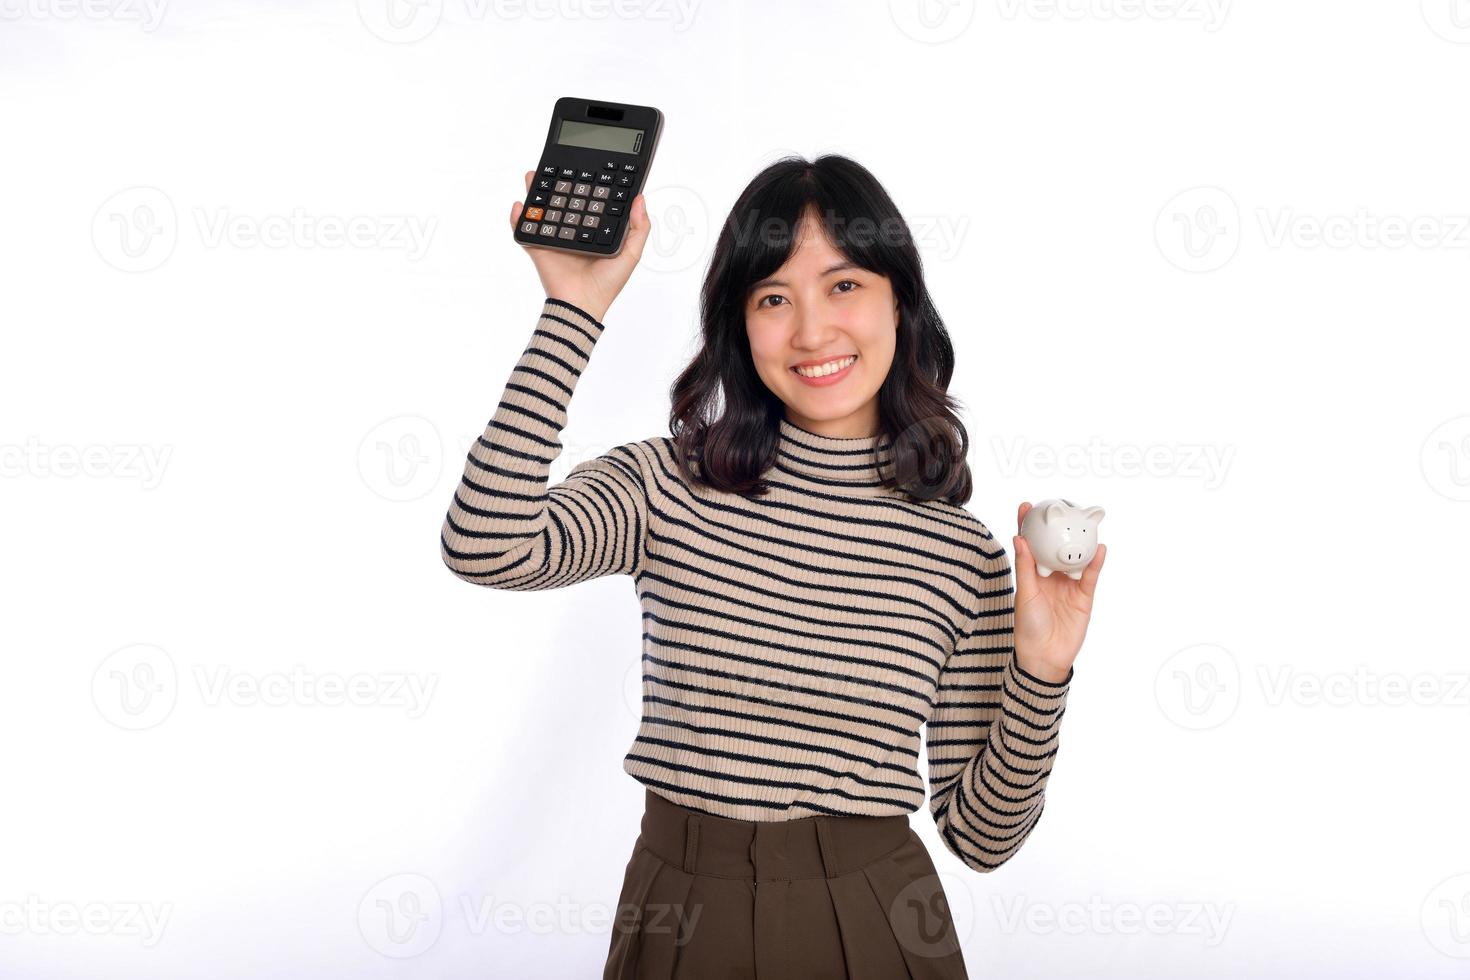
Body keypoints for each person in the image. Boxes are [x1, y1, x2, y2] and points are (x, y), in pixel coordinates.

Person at [440, 154, 1106, 980]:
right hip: (680, 913)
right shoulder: (668, 482)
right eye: (773, 298)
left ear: (899, 297)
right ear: (738, 323)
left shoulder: (959, 553)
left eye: (844, 285)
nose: (812, 332)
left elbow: (983, 837)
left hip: (876, 918)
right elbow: (486, 542)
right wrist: (574, 309)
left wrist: (1041, 673)